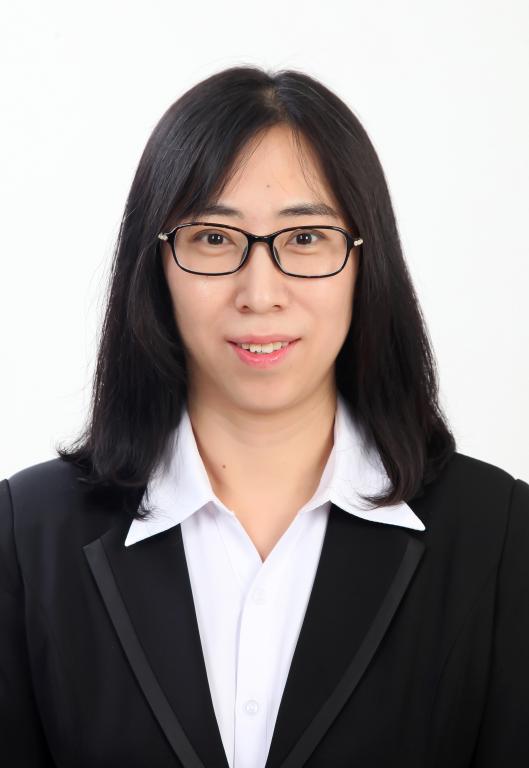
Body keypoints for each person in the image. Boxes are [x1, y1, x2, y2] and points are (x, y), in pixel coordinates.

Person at [1, 65, 527, 768]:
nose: (260, 292)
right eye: (214, 239)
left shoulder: (499, 535)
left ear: (364, 261)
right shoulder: (26, 537)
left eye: (305, 238)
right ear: (156, 265)